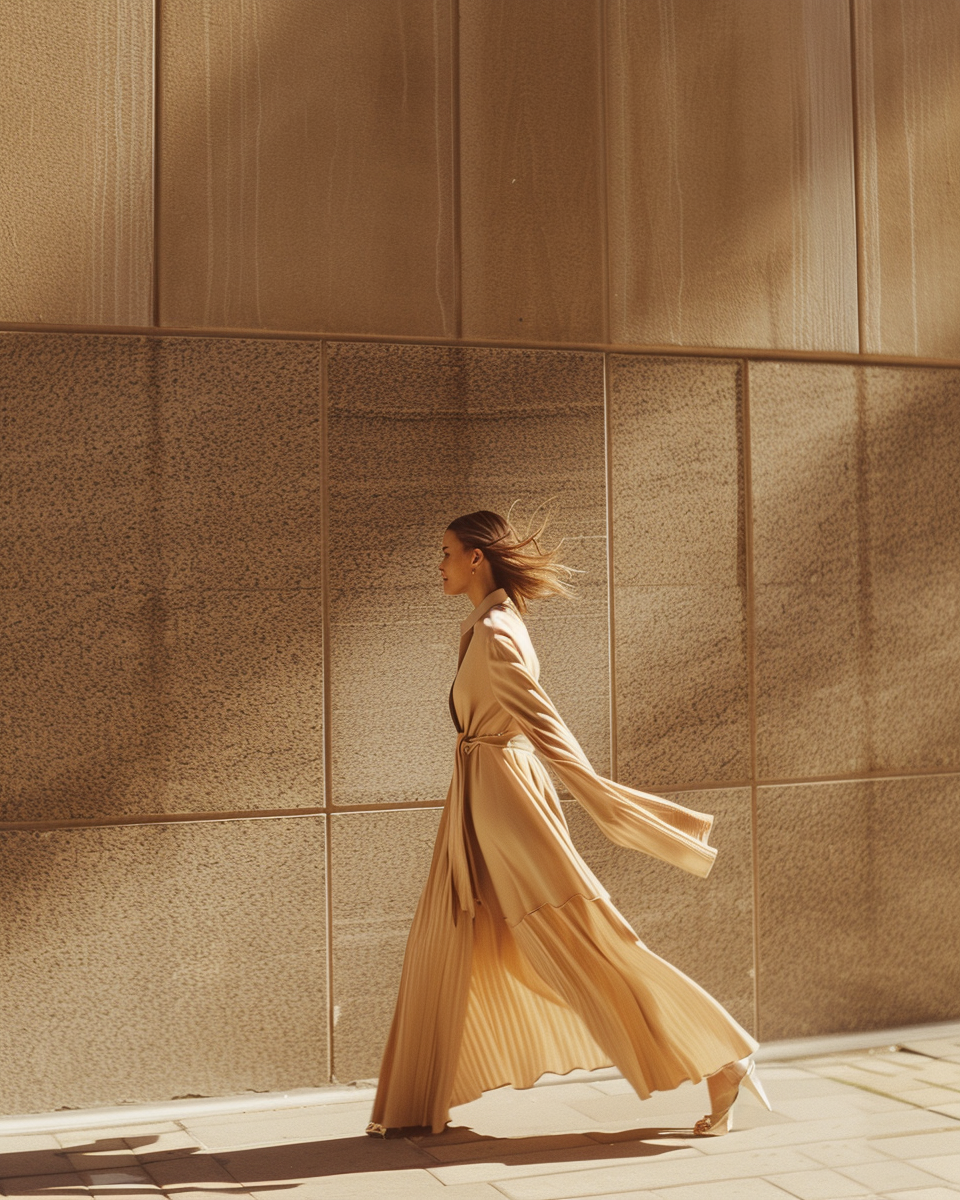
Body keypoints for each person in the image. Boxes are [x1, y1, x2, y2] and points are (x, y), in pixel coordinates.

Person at [366, 510, 770, 1139]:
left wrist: (603, 799)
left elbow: (543, 724)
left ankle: (723, 1056)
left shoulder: (497, 631)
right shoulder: (486, 625)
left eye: (446, 552)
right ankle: (414, 1104)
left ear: (476, 558)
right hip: (478, 800)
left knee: (582, 939)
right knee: (447, 935)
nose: (439, 565)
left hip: (505, 803)